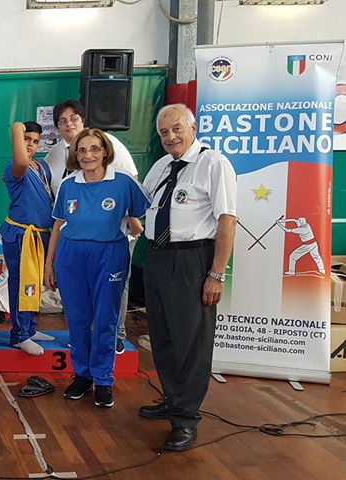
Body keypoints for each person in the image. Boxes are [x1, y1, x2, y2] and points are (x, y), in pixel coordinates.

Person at [138, 104, 237, 451]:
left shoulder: (213, 164)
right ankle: (172, 399)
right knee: (163, 337)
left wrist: (216, 274)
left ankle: (185, 419)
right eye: (164, 132)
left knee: (190, 342)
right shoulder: (162, 166)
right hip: (157, 258)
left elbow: (227, 219)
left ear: (193, 128)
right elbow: (143, 205)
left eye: (177, 129)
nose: (171, 137)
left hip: (192, 259)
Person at [44, 128, 150, 409]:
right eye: (81, 150)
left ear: (105, 151)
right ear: (75, 155)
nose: (88, 154)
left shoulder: (124, 182)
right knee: (77, 319)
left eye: (94, 148)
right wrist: (49, 265)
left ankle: (103, 379)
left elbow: (139, 215)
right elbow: (57, 226)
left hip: (109, 255)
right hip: (71, 257)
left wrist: (133, 226)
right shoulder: (69, 185)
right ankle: (82, 375)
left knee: (106, 319)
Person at [45, 99, 142, 353]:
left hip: (110, 239)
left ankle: (115, 335)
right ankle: (83, 342)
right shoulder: (55, 155)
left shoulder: (111, 145)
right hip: (74, 241)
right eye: (63, 121)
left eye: (74, 118)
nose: (69, 124)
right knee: (79, 297)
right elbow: (55, 203)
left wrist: (132, 221)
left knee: (112, 292)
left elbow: (130, 183)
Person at [1, 122, 55, 356]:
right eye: (25, 140)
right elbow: (21, 161)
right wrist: (15, 128)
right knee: (21, 283)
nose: (30, 145)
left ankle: (30, 328)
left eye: (34, 141)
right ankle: (19, 334)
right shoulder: (14, 167)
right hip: (21, 234)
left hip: (40, 235)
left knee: (33, 284)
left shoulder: (42, 167)